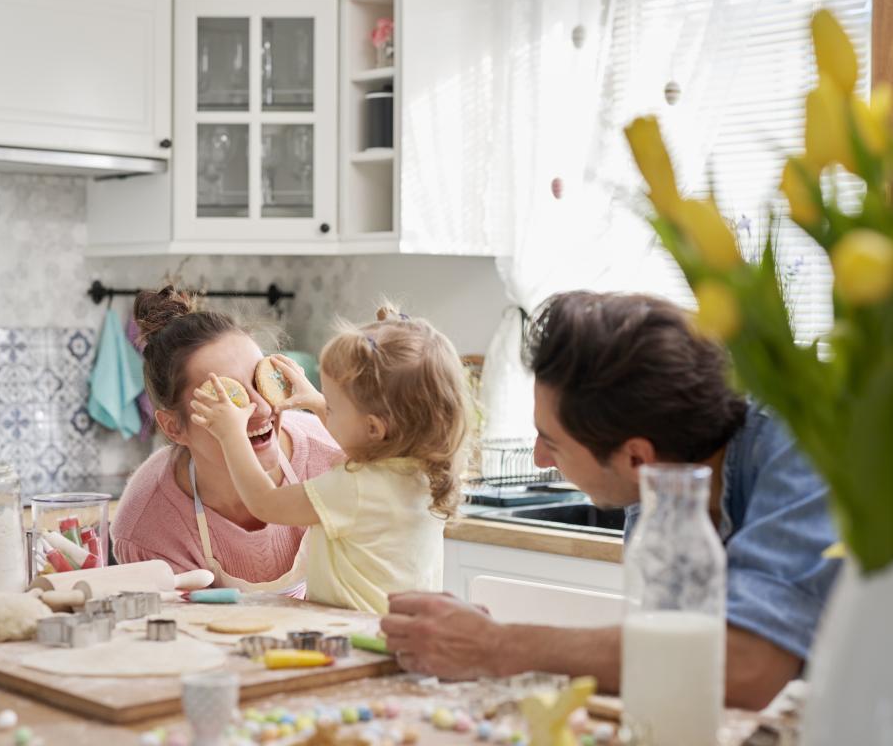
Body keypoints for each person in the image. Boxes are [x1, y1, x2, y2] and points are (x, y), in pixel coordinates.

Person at [381, 291, 839, 710]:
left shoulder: (808, 446)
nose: (539, 459)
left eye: (551, 441)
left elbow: (745, 668)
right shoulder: (658, 487)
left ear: (637, 457)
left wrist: (495, 645)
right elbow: (673, 664)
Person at [189, 307, 471, 614]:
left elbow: (264, 501)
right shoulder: (421, 471)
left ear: (374, 427)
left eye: (332, 407)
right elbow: (361, 440)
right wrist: (314, 400)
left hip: (360, 638)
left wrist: (231, 435)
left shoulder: (354, 489)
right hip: (404, 633)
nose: (323, 409)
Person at [110, 286, 343, 594]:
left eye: (262, 381)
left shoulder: (334, 455)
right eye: (226, 398)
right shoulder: (147, 525)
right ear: (173, 427)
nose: (262, 408)